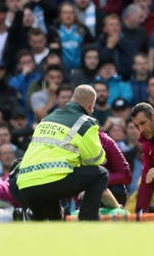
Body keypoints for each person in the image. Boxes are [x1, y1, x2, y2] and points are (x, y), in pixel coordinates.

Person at [15, 85, 108, 221]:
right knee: (100, 174)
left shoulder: (46, 119)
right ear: (91, 105)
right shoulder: (85, 123)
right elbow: (95, 158)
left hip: (25, 183)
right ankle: (88, 223)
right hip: (53, 180)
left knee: (54, 224)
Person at [130, 102, 154, 213]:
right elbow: (146, 178)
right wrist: (140, 210)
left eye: (143, 123)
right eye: (137, 126)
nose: (140, 130)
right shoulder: (147, 142)